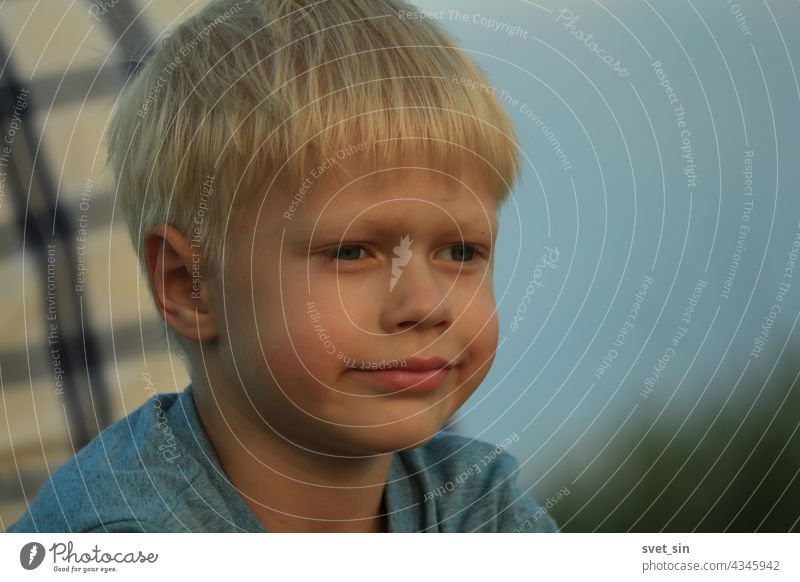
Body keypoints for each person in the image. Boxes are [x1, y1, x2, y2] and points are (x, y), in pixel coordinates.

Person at [9, 0, 558, 533]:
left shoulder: (476, 503)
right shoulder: (118, 537)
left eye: (460, 251)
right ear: (189, 285)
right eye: (351, 252)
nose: (426, 304)